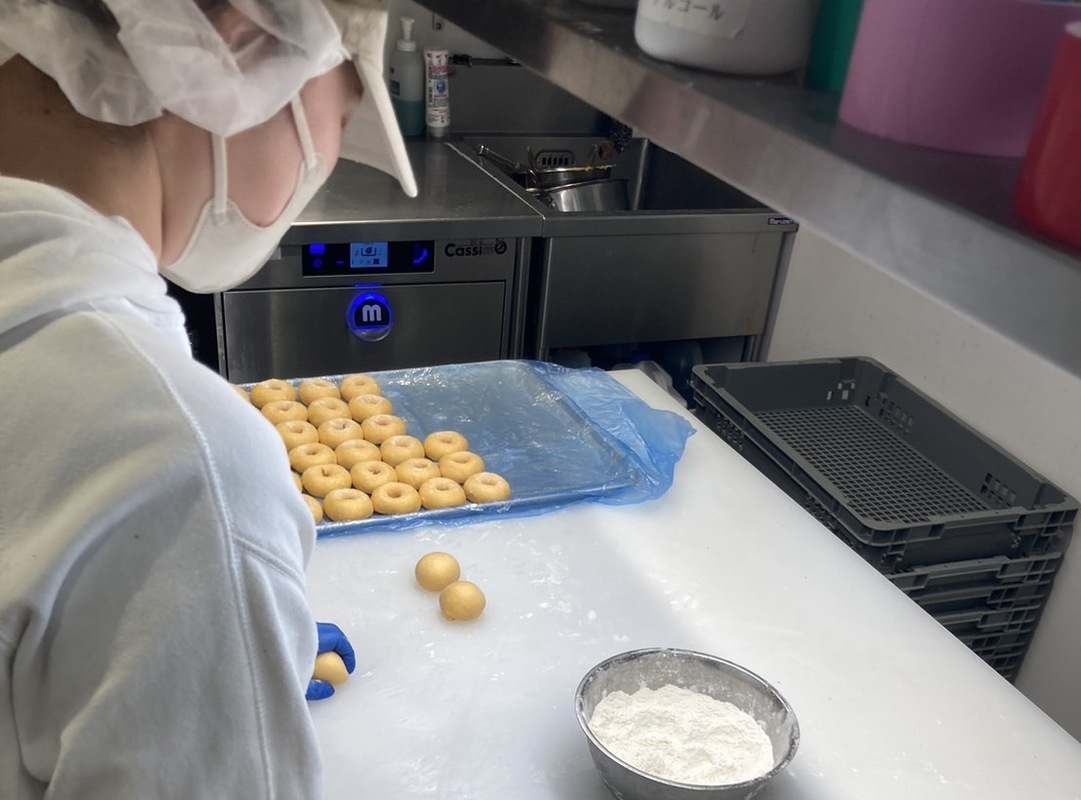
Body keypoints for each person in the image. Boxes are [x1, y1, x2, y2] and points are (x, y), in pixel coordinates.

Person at [0, 1, 416, 797]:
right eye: (341, 116)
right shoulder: (175, 467)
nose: (323, 164)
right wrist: (201, 584)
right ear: (237, 43)